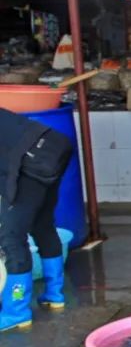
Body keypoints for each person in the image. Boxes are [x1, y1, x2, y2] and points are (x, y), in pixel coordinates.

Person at [0, 108, 74, 331]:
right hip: (52, 147)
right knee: (41, 224)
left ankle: (16, 311)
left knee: (12, 237)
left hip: (32, 159)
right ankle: (54, 294)